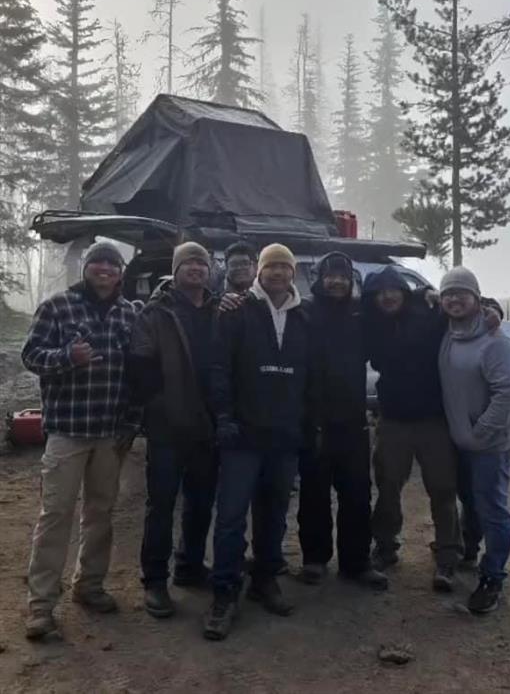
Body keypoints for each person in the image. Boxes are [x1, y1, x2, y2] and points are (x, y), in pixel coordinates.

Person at [22, 241, 140, 640]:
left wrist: (132, 422)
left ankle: (89, 586)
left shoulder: (129, 313)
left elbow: (135, 371)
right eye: (97, 262)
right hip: (67, 432)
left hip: (109, 433)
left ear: (121, 272)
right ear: (86, 268)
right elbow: (30, 355)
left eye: (111, 263)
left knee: (100, 515)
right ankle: (40, 606)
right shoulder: (58, 306)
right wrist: (66, 358)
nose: (104, 269)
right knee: (55, 516)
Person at [203, 244, 309, 641]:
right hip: (242, 435)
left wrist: (306, 425)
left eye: (285, 266)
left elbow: (312, 374)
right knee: (231, 516)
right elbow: (220, 367)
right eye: (271, 267)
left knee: (274, 513)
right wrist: (225, 416)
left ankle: (265, 578)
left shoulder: (304, 316)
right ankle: (224, 592)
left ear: (293, 272)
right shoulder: (236, 311)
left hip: (284, 436)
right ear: (259, 272)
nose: (278, 273)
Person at [129, 241, 218, 618]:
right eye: (188, 263)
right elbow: (140, 366)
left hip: (207, 426)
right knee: (161, 505)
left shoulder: (219, 309)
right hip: (168, 427)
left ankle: (190, 566)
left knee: (200, 503)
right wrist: (158, 407)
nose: (196, 269)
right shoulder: (156, 312)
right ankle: (154, 581)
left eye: (201, 263)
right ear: (176, 270)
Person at [362, 267, 461, 592]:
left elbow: (468, 302)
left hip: (433, 419)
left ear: (404, 292)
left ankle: (447, 557)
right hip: (393, 419)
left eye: (393, 290)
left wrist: (492, 309)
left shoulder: (430, 312)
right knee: (388, 486)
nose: (387, 296)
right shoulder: (370, 322)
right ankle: (386, 548)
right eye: (380, 292)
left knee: (443, 489)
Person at [297, 253, 387, 590]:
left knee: (357, 493)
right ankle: (315, 558)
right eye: (330, 275)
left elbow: (399, 309)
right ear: (318, 278)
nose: (336, 281)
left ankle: (356, 562)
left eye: (343, 276)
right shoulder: (302, 312)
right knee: (314, 493)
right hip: (314, 417)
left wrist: (426, 298)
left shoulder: (360, 315)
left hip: (352, 419)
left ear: (351, 280)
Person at [439, 267, 510, 614]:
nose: (454, 299)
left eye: (462, 293)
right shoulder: (449, 333)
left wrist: (480, 433)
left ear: (477, 298)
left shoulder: (496, 342)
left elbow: (508, 395)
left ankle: (493, 576)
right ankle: (470, 551)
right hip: (461, 441)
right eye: (448, 294)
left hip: (489, 444)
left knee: (493, 509)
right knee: (469, 501)